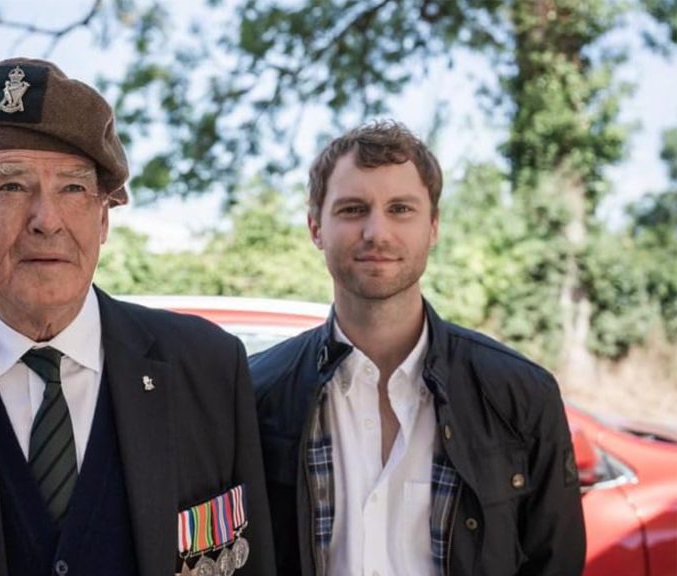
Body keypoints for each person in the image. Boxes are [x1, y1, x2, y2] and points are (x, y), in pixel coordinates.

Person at [0, 57, 274, 576]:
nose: (46, 220)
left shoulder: (208, 366)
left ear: (103, 220)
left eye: (73, 189)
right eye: (11, 187)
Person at [250, 120, 585, 576]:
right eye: (352, 209)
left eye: (401, 209)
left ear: (433, 226)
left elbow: (555, 564)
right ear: (315, 228)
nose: (377, 232)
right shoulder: (257, 393)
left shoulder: (521, 395)